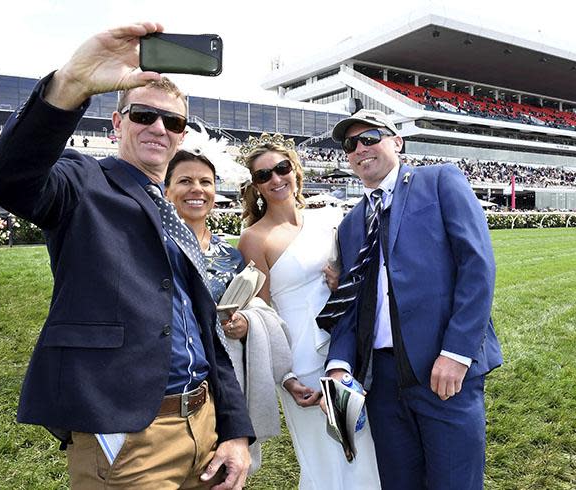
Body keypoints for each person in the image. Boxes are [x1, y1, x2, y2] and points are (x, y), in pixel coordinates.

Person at [0, 23, 253, 489]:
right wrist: (71, 84)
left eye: (173, 122)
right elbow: (8, 178)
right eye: (145, 115)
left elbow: (203, 324)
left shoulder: (171, 211)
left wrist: (235, 430)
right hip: (128, 437)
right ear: (117, 123)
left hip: (203, 427)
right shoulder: (83, 180)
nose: (159, 128)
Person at [320, 109, 503, 489]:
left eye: (370, 137)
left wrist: (457, 353)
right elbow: (351, 305)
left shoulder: (438, 181)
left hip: (444, 369)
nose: (360, 149)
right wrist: (339, 365)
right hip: (382, 382)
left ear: (397, 141)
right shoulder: (352, 224)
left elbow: (477, 265)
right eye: (350, 144)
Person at [163, 143, 321, 474]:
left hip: (224, 380)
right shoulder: (151, 246)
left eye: (205, 182)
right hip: (168, 381)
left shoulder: (228, 254)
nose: (197, 190)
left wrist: (246, 324)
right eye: (184, 181)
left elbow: (259, 309)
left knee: (224, 472)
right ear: (166, 190)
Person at [237, 133, 381, 489]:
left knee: (365, 450)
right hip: (302, 363)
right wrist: (285, 376)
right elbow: (260, 313)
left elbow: (362, 274)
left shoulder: (330, 217)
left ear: (295, 170)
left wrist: (341, 283)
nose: (275, 179)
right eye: (263, 175)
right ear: (255, 186)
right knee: (326, 459)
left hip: (347, 351)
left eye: (281, 168)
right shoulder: (254, 238)